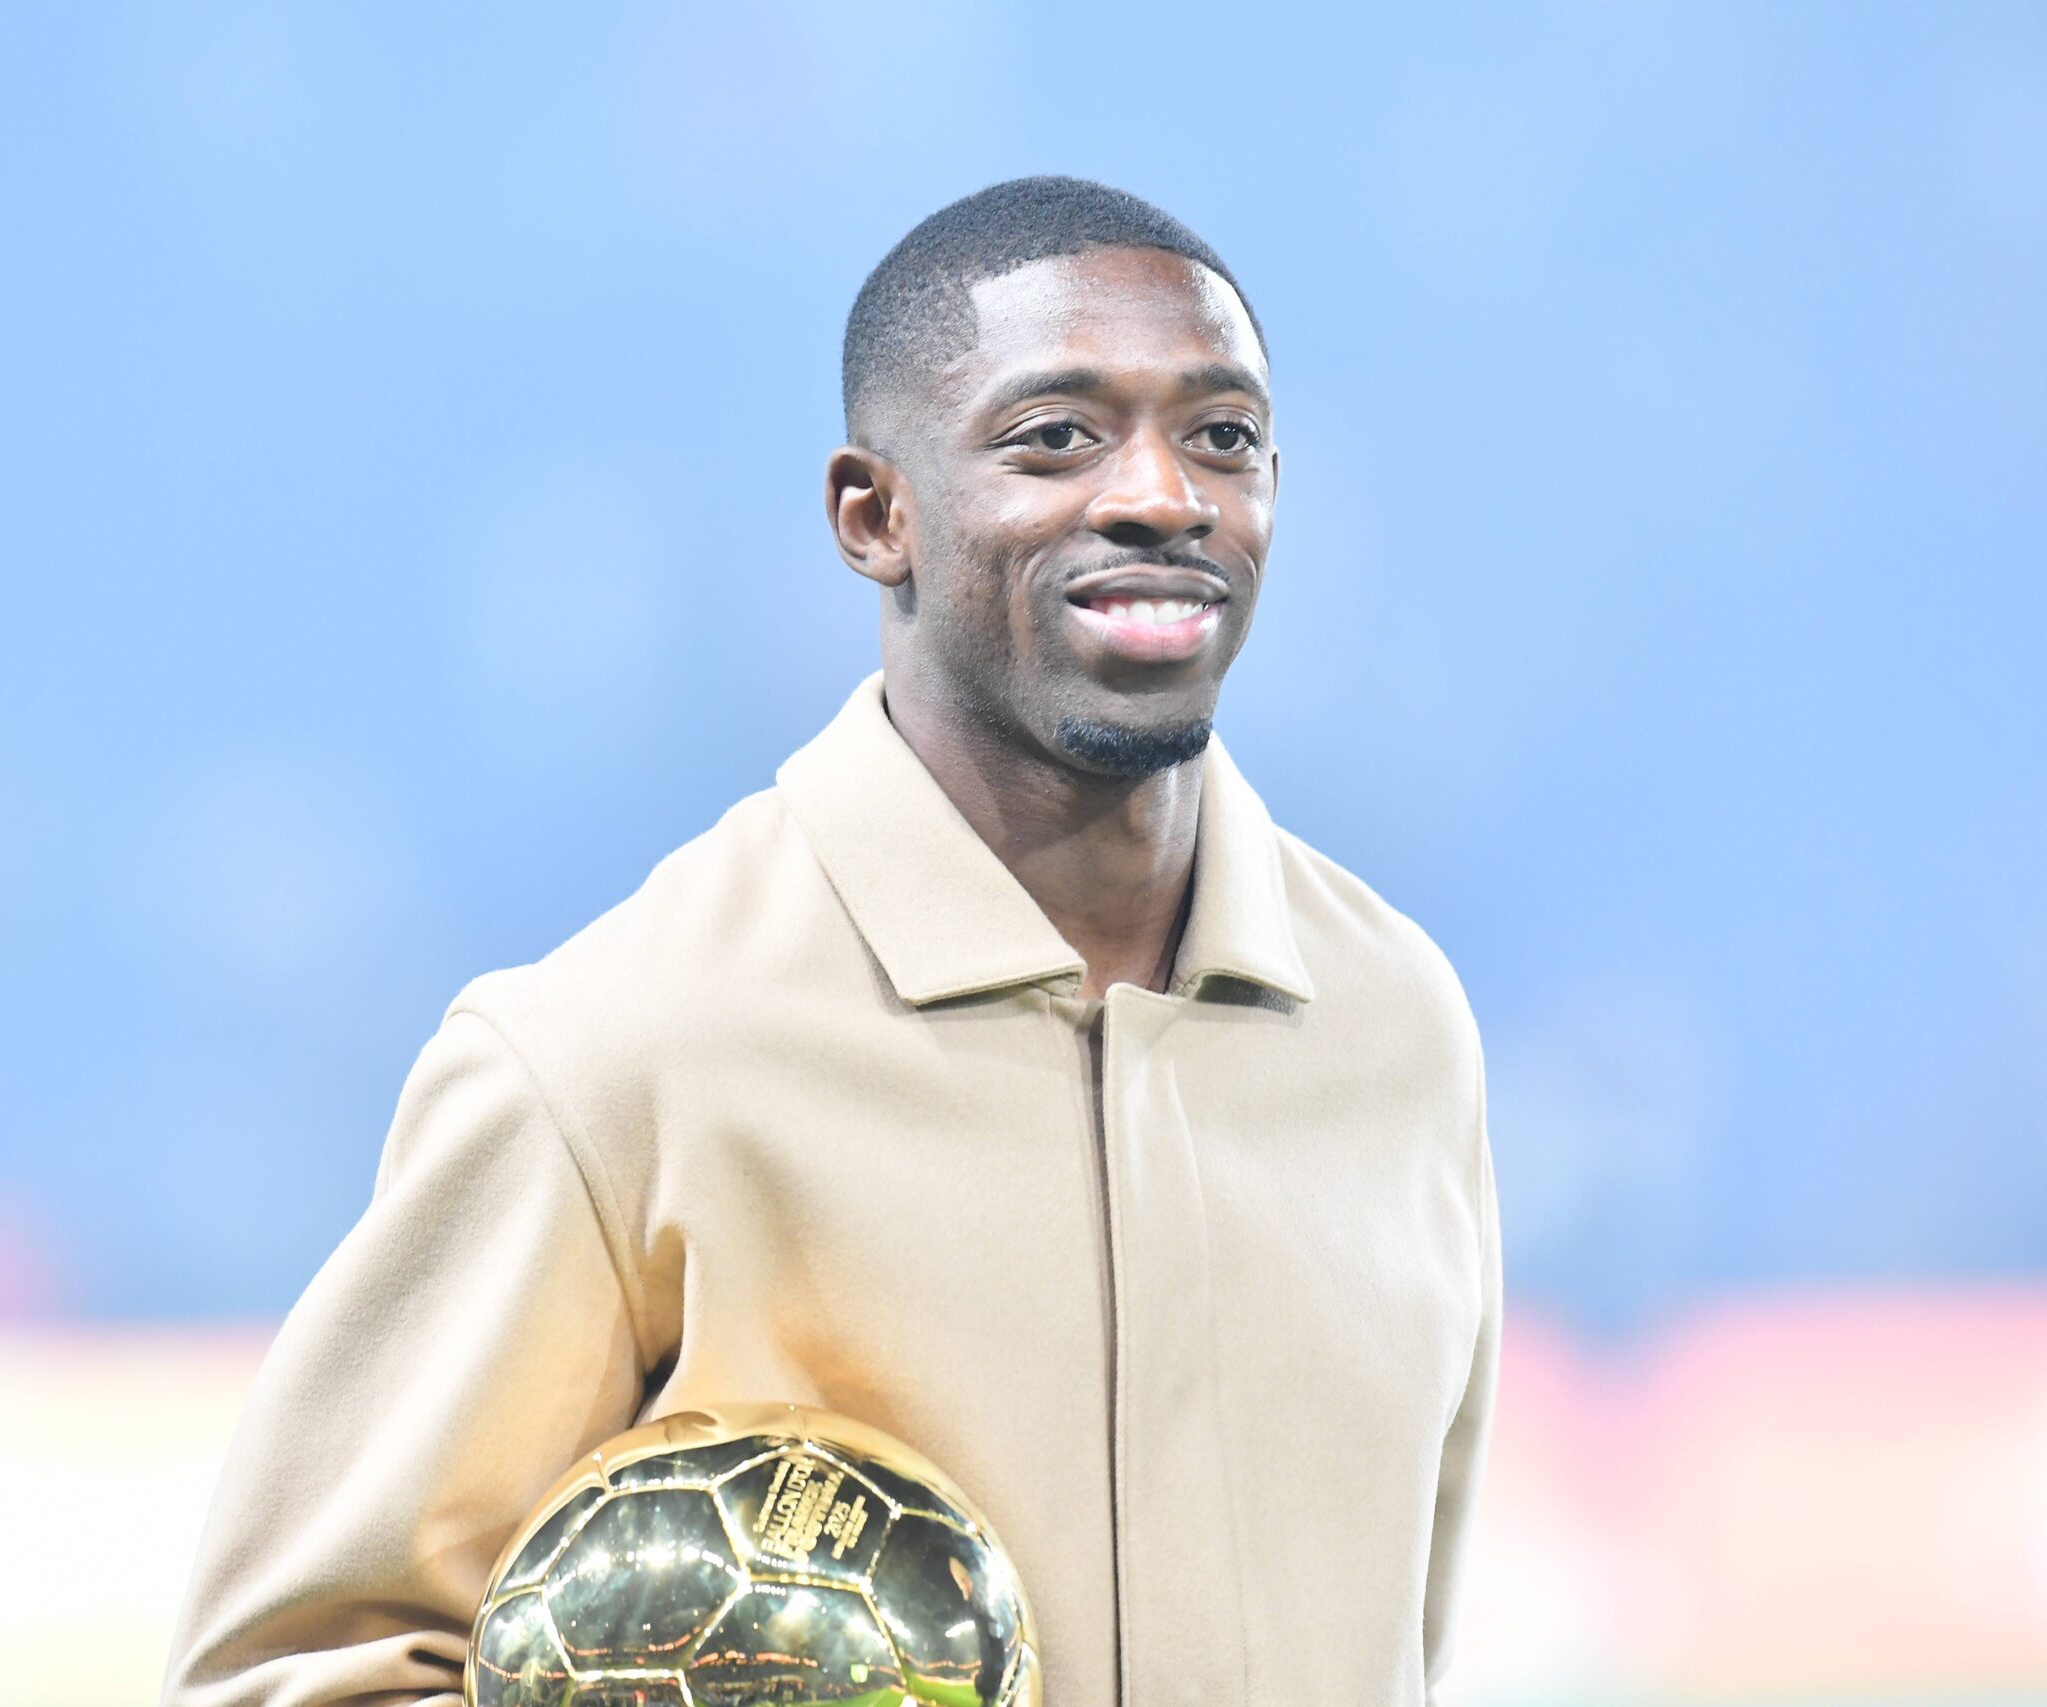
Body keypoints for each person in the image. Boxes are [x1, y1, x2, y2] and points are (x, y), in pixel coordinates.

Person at [163, 175, 1499, 1707]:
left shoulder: (1396, 1024)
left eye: (1223, 435)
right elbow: (297, 1676)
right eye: (1056, 435)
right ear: (876, 516)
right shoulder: (610, 1053)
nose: (1162, 494)